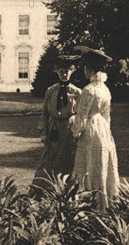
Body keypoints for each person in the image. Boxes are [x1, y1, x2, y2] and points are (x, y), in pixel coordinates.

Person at [70, 46, 120, 210]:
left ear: (90, 69)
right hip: (104, 130)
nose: (84, 71)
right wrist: (107, 132)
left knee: (88, 165)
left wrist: (75, 133)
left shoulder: (89, 90)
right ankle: (105, 202)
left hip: (91, 131)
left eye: (85, 68)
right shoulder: (105, 89)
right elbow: (107, 116)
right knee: (101, 165)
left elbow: (82, 117)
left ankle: (90, 205)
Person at [32, 55, 82, 192]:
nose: (64, 74)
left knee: (67, 159)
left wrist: (77, 130)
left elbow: (81, 114)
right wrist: (43, 132)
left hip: (69, 129)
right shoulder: (51, 90)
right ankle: (41, 190)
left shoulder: (77, 92)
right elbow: (44, 113)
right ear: (56, 72)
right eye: (61, 71)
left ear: (72, 72)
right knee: (48, 159)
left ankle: (65, 190)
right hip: (54, 129)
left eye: (67, 71)